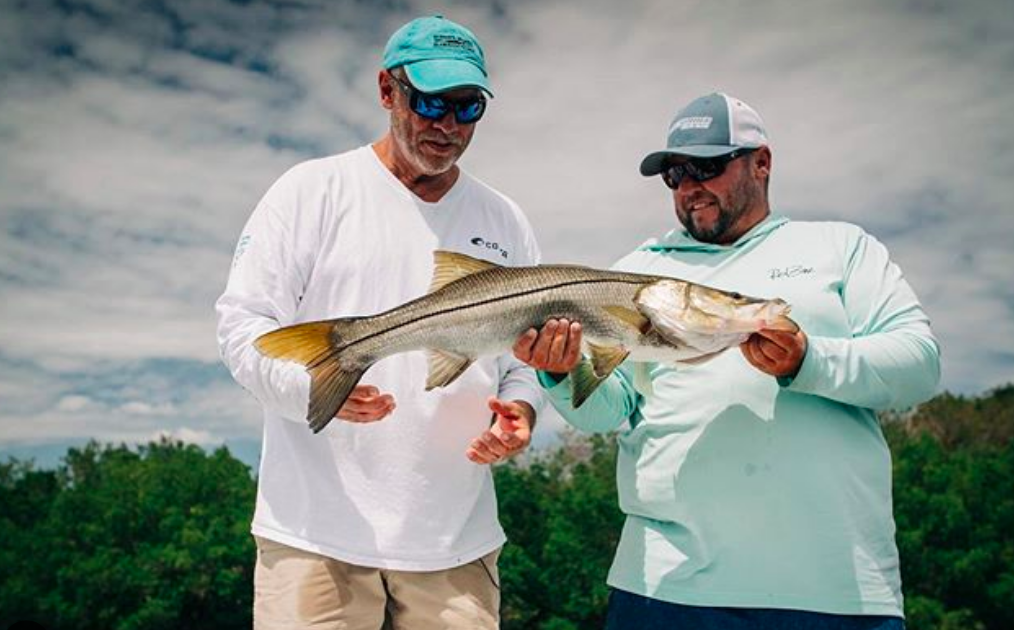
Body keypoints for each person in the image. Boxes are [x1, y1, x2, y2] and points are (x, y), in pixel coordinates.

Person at [513, 92, 940, 629]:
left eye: (708, 167)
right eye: (675, 174)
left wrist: (809, 360)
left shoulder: (840, 247)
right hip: (664, 587)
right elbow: (608, 410)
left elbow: (919, 365)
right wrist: (558, 369)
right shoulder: (636, 270)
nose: (690, 186)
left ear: (762, 162)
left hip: (837, 590)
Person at [216, 15, 543, 630]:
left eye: (467, 107)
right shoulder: (310, 190)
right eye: (429, 102)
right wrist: (315, 390)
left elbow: (519, 361)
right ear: (386, 91)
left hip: (456, 546)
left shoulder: (507, 220)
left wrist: (522, 412)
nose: (446, 125)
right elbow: (242, 329)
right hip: (313, 540)